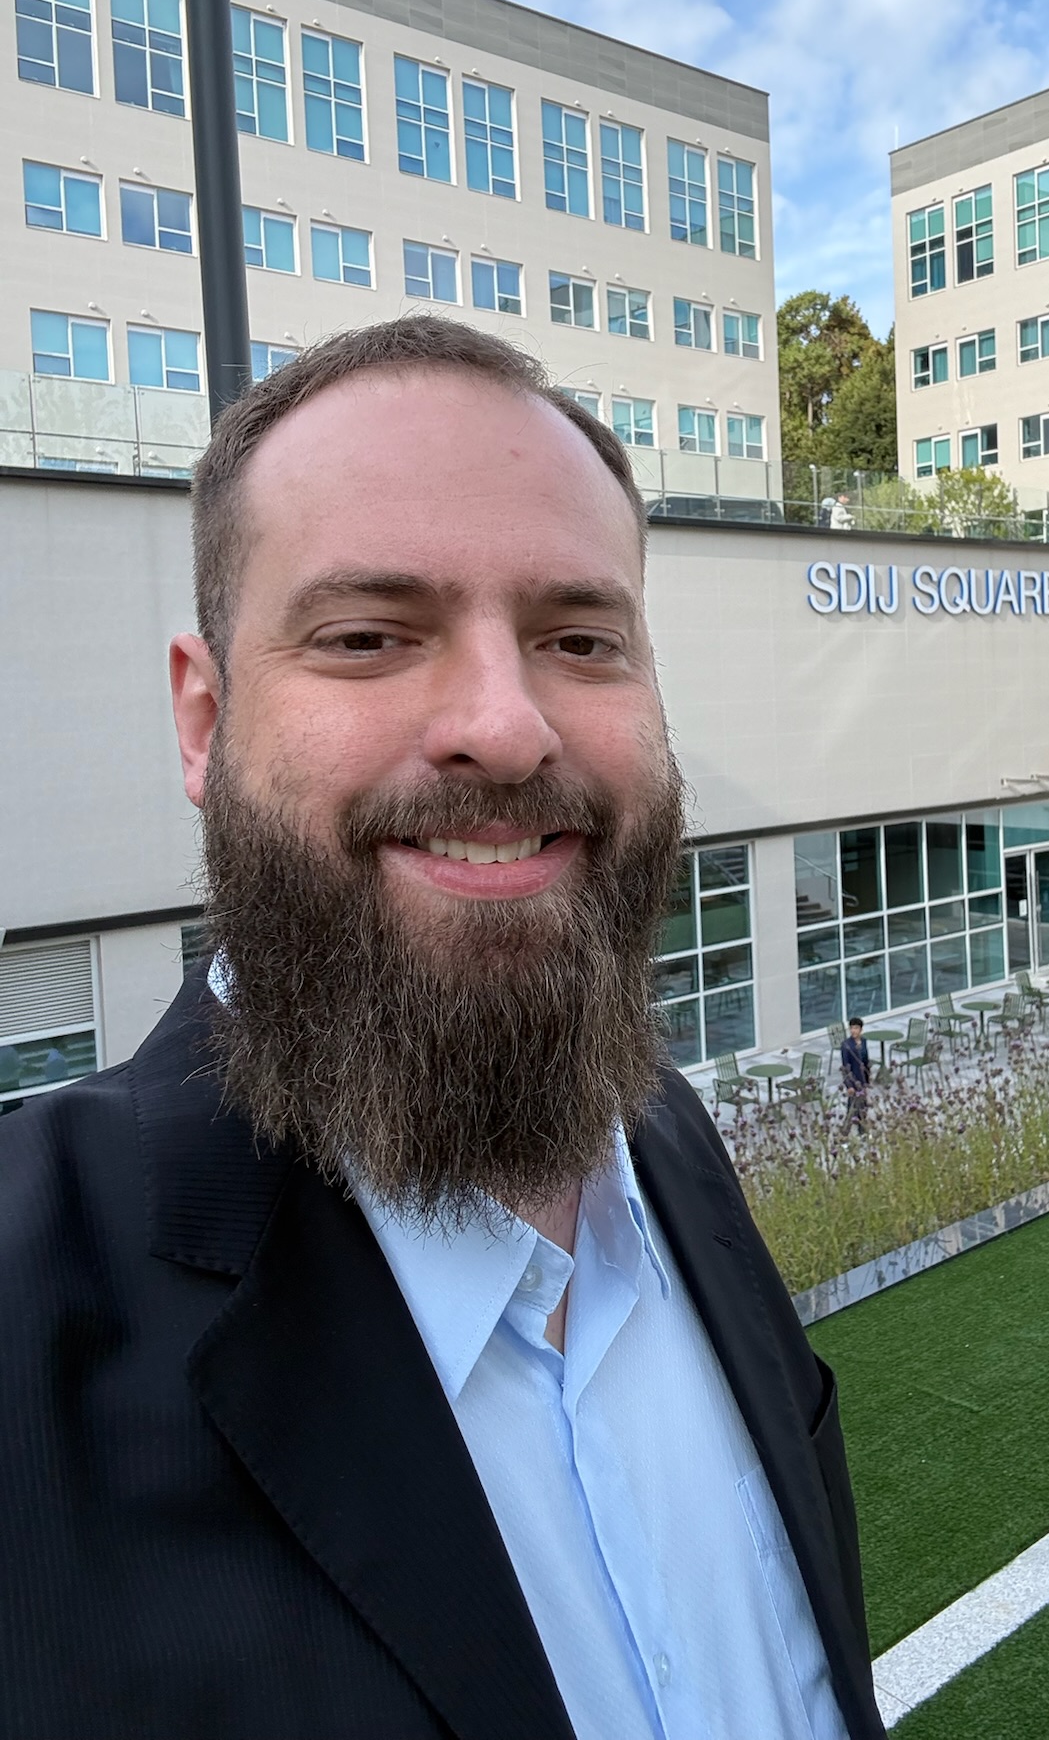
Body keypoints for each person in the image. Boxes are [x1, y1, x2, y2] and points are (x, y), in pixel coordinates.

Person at [0, 316, 883, 1740]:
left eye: (579, 637)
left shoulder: (670, 1142)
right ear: (206, 718)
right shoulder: (27, 1312)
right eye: (368, 636)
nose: (506, 726)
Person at [840, 1018, 872, 1130]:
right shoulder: (846, 1045)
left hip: (862, 1079)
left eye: (856, 1028)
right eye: (852, 1028)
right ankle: (845, 1133)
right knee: (852, 1108)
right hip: (853, 1081)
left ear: (861, 1029)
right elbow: (845, 1066)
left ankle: (862, 1131)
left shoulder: (863, 1041)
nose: (853, 1031)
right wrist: (849, 1085)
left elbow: (866, 1060)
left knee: (863, 1107)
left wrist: (868, 1080)